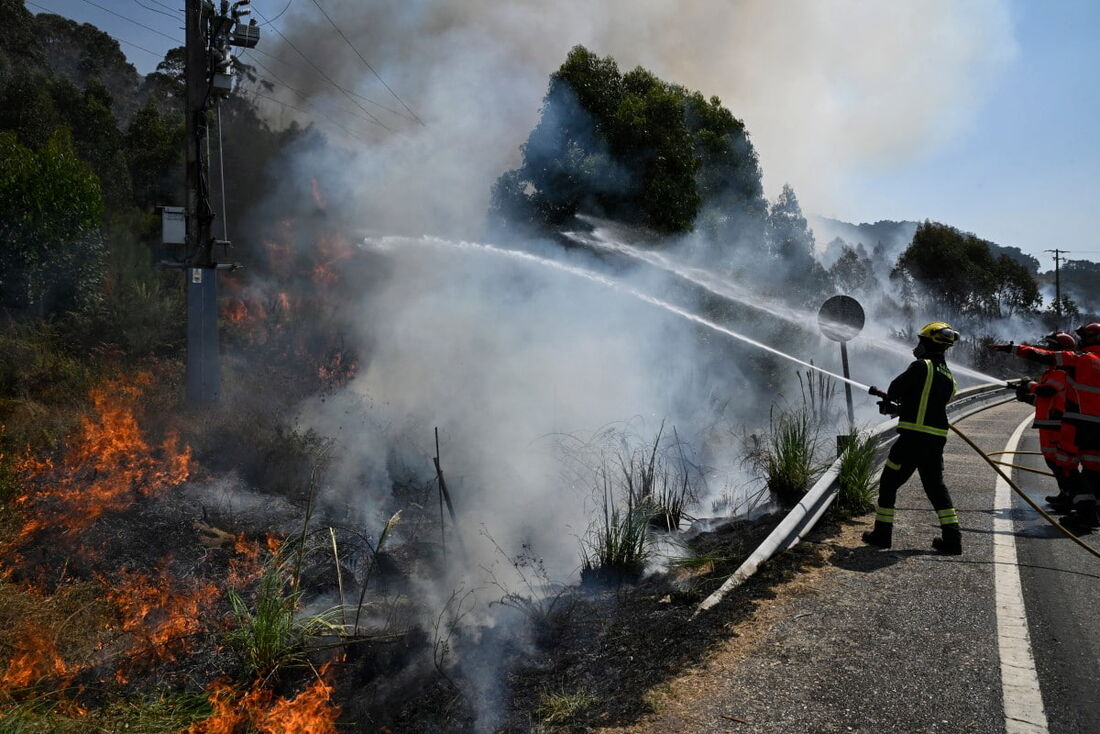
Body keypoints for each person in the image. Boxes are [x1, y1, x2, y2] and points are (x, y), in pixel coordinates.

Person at [864, 321, 962, 554]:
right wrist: (900, 408)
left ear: (929, 342)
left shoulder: (921, 366)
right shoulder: (950, 378)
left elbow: (896, 388)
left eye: (921, 340)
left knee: (888, 483)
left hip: (912, 440)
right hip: (935, 441)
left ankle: (882, 534)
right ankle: (952, 539)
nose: (918, 344)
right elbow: (925, 405)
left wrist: (892, 400)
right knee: (935, 488)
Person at [992, 323, 1100, 533]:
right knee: (1094, 469)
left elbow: (1043, 356)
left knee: (1066, 466)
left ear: (1091, 338)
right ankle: (1091, 512)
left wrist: (1012, 348)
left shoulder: (1081, 360)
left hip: (1078, 422)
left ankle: (1084, 511)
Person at [1012, 331, 1081, 512]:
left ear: (1061, 350)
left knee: (1063, 464)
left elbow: (1046, 392)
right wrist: (1026, 398)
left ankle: (1072, 497)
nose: (1048, 350)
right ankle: (1065, 493)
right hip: (1048, 424)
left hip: (1057, 425)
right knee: (1053, 462)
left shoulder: (1061, 371)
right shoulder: (1052, 371)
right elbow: (1045, 401)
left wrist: (1029, 385)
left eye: (1052, 347)